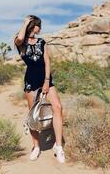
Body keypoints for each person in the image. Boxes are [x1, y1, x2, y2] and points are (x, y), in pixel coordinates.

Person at [13, 15, 65, 163]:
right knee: (33, 115)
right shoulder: (20, 42)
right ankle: (36, 147)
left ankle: (59, 147)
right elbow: (19, 38)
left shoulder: (42, 42)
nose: (40, 29)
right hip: (30, 81)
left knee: (57, 107)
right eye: (38, 25)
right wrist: (25, 23)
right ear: (32, 25)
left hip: (45, 80)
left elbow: (47, 61)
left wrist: (47, 81)